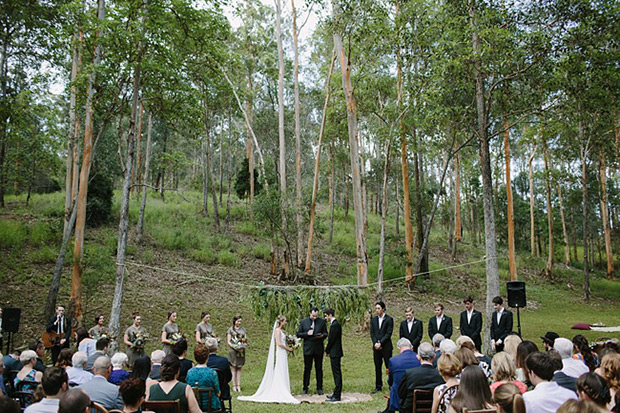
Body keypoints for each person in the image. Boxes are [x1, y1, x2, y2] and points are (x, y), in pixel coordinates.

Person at [238, 315, 300, 404]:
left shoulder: (282, 331)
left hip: (283, 353)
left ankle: (284, 388)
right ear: (281, 322)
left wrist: (292, 343)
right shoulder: (277, 330)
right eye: (285, 321)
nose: (286, 323)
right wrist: (288, 349)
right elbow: (279, 343)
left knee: (283, 369)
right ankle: (279, 389)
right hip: (280, 352)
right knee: (280, 368)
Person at [398, 342, 445, 413]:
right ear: (434, 356)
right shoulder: (440, 375)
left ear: (418, 357)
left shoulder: (409, 374)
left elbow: (401, 393)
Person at [381, 338, 420, 413]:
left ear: (399, 348)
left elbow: (390, 380)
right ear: (411, 346)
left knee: (394, 386)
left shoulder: (393, 360)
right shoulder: (419, 358)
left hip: (398, 395)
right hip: (415, 392)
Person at [297, 306, 328, 395]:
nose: (314, 317)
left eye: (316, 316)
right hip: (308, 348)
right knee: (307, 368)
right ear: (310, 313)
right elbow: (298, 334)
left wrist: (322, 336)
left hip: (318, 348)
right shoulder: (304, 322)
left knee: (319, 368)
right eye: (313, 316)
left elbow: (326, 333)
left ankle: (319, 387)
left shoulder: (322, 322)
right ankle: (305, 387)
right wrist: (306, 334)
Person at [186, 344, 220, 411]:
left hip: (194, 405)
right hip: (211, 406)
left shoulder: (190, 372)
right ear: (207, 357)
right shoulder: (212, 373)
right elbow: (218, 392)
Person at [370, 301, 394, 393]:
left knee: (388, 366)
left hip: (386, 347)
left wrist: (381, 342)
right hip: (376, 347)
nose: (377, 310)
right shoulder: (374, 320)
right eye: (376, 308)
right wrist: (375, 342)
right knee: (377, 366)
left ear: (383, 309)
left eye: (378, 308)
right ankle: (378, 385)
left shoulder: (389, 319)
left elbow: (389, 333)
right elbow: (372, 333)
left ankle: (391, 385)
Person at [324, 308, 343, 402]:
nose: (325, 318)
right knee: (336, 373)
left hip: (335, 352)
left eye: (326, 316)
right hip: (335, 352)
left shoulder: (335, 325)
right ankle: (335, 393)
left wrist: (327, 350)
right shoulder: (335, 324)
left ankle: (337, 395)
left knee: (337, 373)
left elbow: (331, 339)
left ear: (330, 315)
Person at [226, 314, 246, 392]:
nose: (239, 323)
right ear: (235, 321)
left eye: (240, 321)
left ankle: (239, 385)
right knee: (234, 367)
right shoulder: (230, 330)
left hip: (241, 351)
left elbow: (244, 339)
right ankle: (234, 385)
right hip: (233, 351)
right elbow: (228, 341)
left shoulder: (243, 329)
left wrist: (242, 346)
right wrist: (235, 347)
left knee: (239, 367)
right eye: (238, 321)